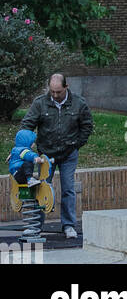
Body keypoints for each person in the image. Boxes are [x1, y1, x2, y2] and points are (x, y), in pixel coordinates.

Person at [21, 72, 93, 238]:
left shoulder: (79, 103)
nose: (54, 95)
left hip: (69, 153)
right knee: (41, 187)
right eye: (52, 91)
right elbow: (27, 125)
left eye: (58, 92)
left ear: (66, 87)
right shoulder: (40, 103)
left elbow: (87, 126)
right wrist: (21, 147)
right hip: (46, 154)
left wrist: (76, 144)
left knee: (68, 189)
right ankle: (36, 226)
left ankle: (68, 226)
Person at [8, 128, 54, 237]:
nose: (33, 144)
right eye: (32, 142)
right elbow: (28, 155)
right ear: (27, 141)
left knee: (26, 165)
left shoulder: (15, 149)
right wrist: (37, 158)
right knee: (28, 163)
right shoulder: (24, 150)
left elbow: (13, 156)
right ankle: (30, 180)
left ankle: (30, 180)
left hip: (16, 174)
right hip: (20, 173)